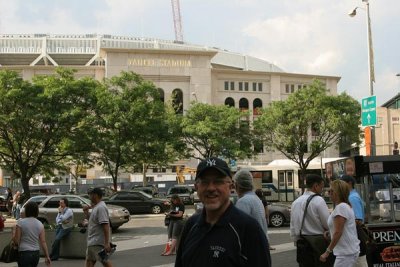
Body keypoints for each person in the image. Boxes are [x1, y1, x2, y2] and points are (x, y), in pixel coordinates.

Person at [175, 157, 271, 267]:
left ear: (231, 186)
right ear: (196, 187)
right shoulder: (191, 225)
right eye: (205, 182)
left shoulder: (249, 229)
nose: (211, 188)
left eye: (218, 181)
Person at [290, 174, 331, 267]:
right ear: (315, 186)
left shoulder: (296, 202)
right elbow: (328, 223)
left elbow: (293, 226)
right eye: (321, 186)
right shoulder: (318, 200)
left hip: (302, 244)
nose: (322, 190)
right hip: (318, 243)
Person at [320, 179, 359, 266]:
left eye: (330, 191)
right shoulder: (344, 206)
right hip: (348, 251)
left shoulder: (341, 207)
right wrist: (330, 231)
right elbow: (341, 228)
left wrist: (327, 251)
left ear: (337, 192)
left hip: (345, 253)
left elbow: (338, 232)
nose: (328, 193)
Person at [234, 170, 273, 250]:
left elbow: (238, 230)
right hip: (259, 246)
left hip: (250, 248)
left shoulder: (243, 201)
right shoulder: (256, 199)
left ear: (237, 185)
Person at [12, 201, 51, 267]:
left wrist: (13, 232)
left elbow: (16, 241)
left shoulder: (20, 222)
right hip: (36, 253)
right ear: (36, 211)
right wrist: (47, 256)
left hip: (24, 252)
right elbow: (43, 242)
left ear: (26, 210)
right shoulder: (40, 224)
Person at [340, 175, 367, 267]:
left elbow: (358, 220)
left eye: (342, 184)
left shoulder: (352, 198)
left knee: (359, 262)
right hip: (353, 237)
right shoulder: (350, 197)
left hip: (356, 237)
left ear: (349, 183)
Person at [83, 187, 113, 267]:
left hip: (97, 242)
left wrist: (106, 243)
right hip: (93, 241)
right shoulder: (97, 207)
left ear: (95, 195)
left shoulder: (101, 208)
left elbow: (105, 225)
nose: (89, 197)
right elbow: (94, 222)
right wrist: (86, 214)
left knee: (104, 261)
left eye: (90, 195)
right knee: (90, 262)